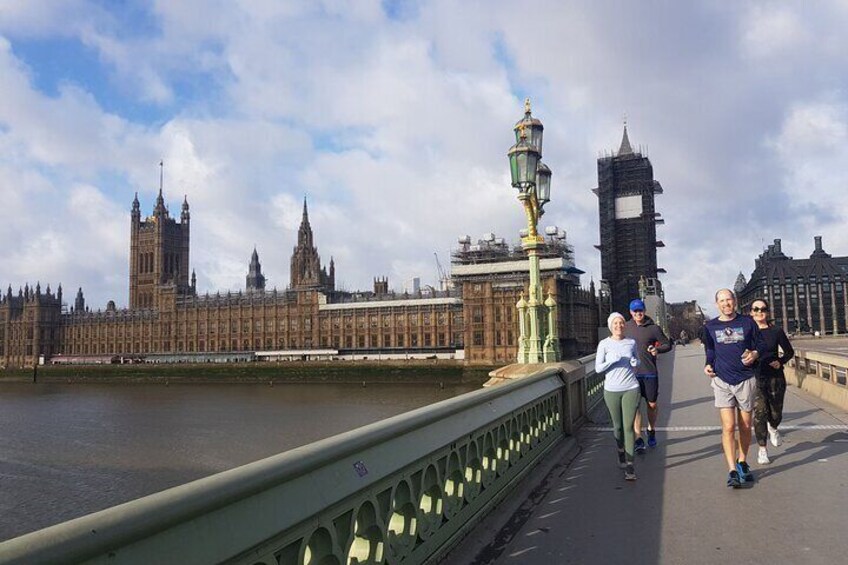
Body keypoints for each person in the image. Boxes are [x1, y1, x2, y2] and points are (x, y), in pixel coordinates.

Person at [702, 289, 766, 488]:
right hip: (722, 380)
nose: (726, 303)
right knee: (729, 426)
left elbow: (762, 345)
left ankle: (742, 461)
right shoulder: (710, 326)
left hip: (745, 378)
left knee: (745, 425)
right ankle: (731, 470)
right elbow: (710, 349)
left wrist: (755, 354)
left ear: (735, 301)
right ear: (716, 304)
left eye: (729, 299)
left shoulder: (747, 322)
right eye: (722, 300)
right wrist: (708, 363)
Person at [595, 312, 641, 481]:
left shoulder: (631, 342)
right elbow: (598, 368)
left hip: (631, 387)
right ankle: (620, 450)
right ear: (610, 326)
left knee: (628, 427)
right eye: (615, 323)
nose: (619, 326)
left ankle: (630, 465)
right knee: (618, 426)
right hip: (611, 390)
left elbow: (636, 362)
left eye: (621, 323)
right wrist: (610, 361)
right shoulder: (604, 344)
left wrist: (636, 363)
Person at [748, 299, 794, 465]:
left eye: (763, 309)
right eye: (756, 309)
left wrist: (780, 361)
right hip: (755, 377)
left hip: (775, 377)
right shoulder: (747, 333)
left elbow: (789, 352)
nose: (760, 312)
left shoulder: (776, 331)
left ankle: (773, 427)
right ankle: (762, 449)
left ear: (767, 312)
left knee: (775, 413)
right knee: (759, 413)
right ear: (751, 312)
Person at [624, 298, 672, 452]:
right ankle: (638, 438)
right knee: (635, 406)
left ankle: (651, 429)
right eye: (635, 311)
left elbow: (667, 344)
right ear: (631, 312)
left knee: (651, 405)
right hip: (632, 374)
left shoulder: (654, 328)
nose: (638, 313)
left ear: (644, 311)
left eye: (640, 310)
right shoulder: (625, 327)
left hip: (650, 372)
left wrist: (657, 350)